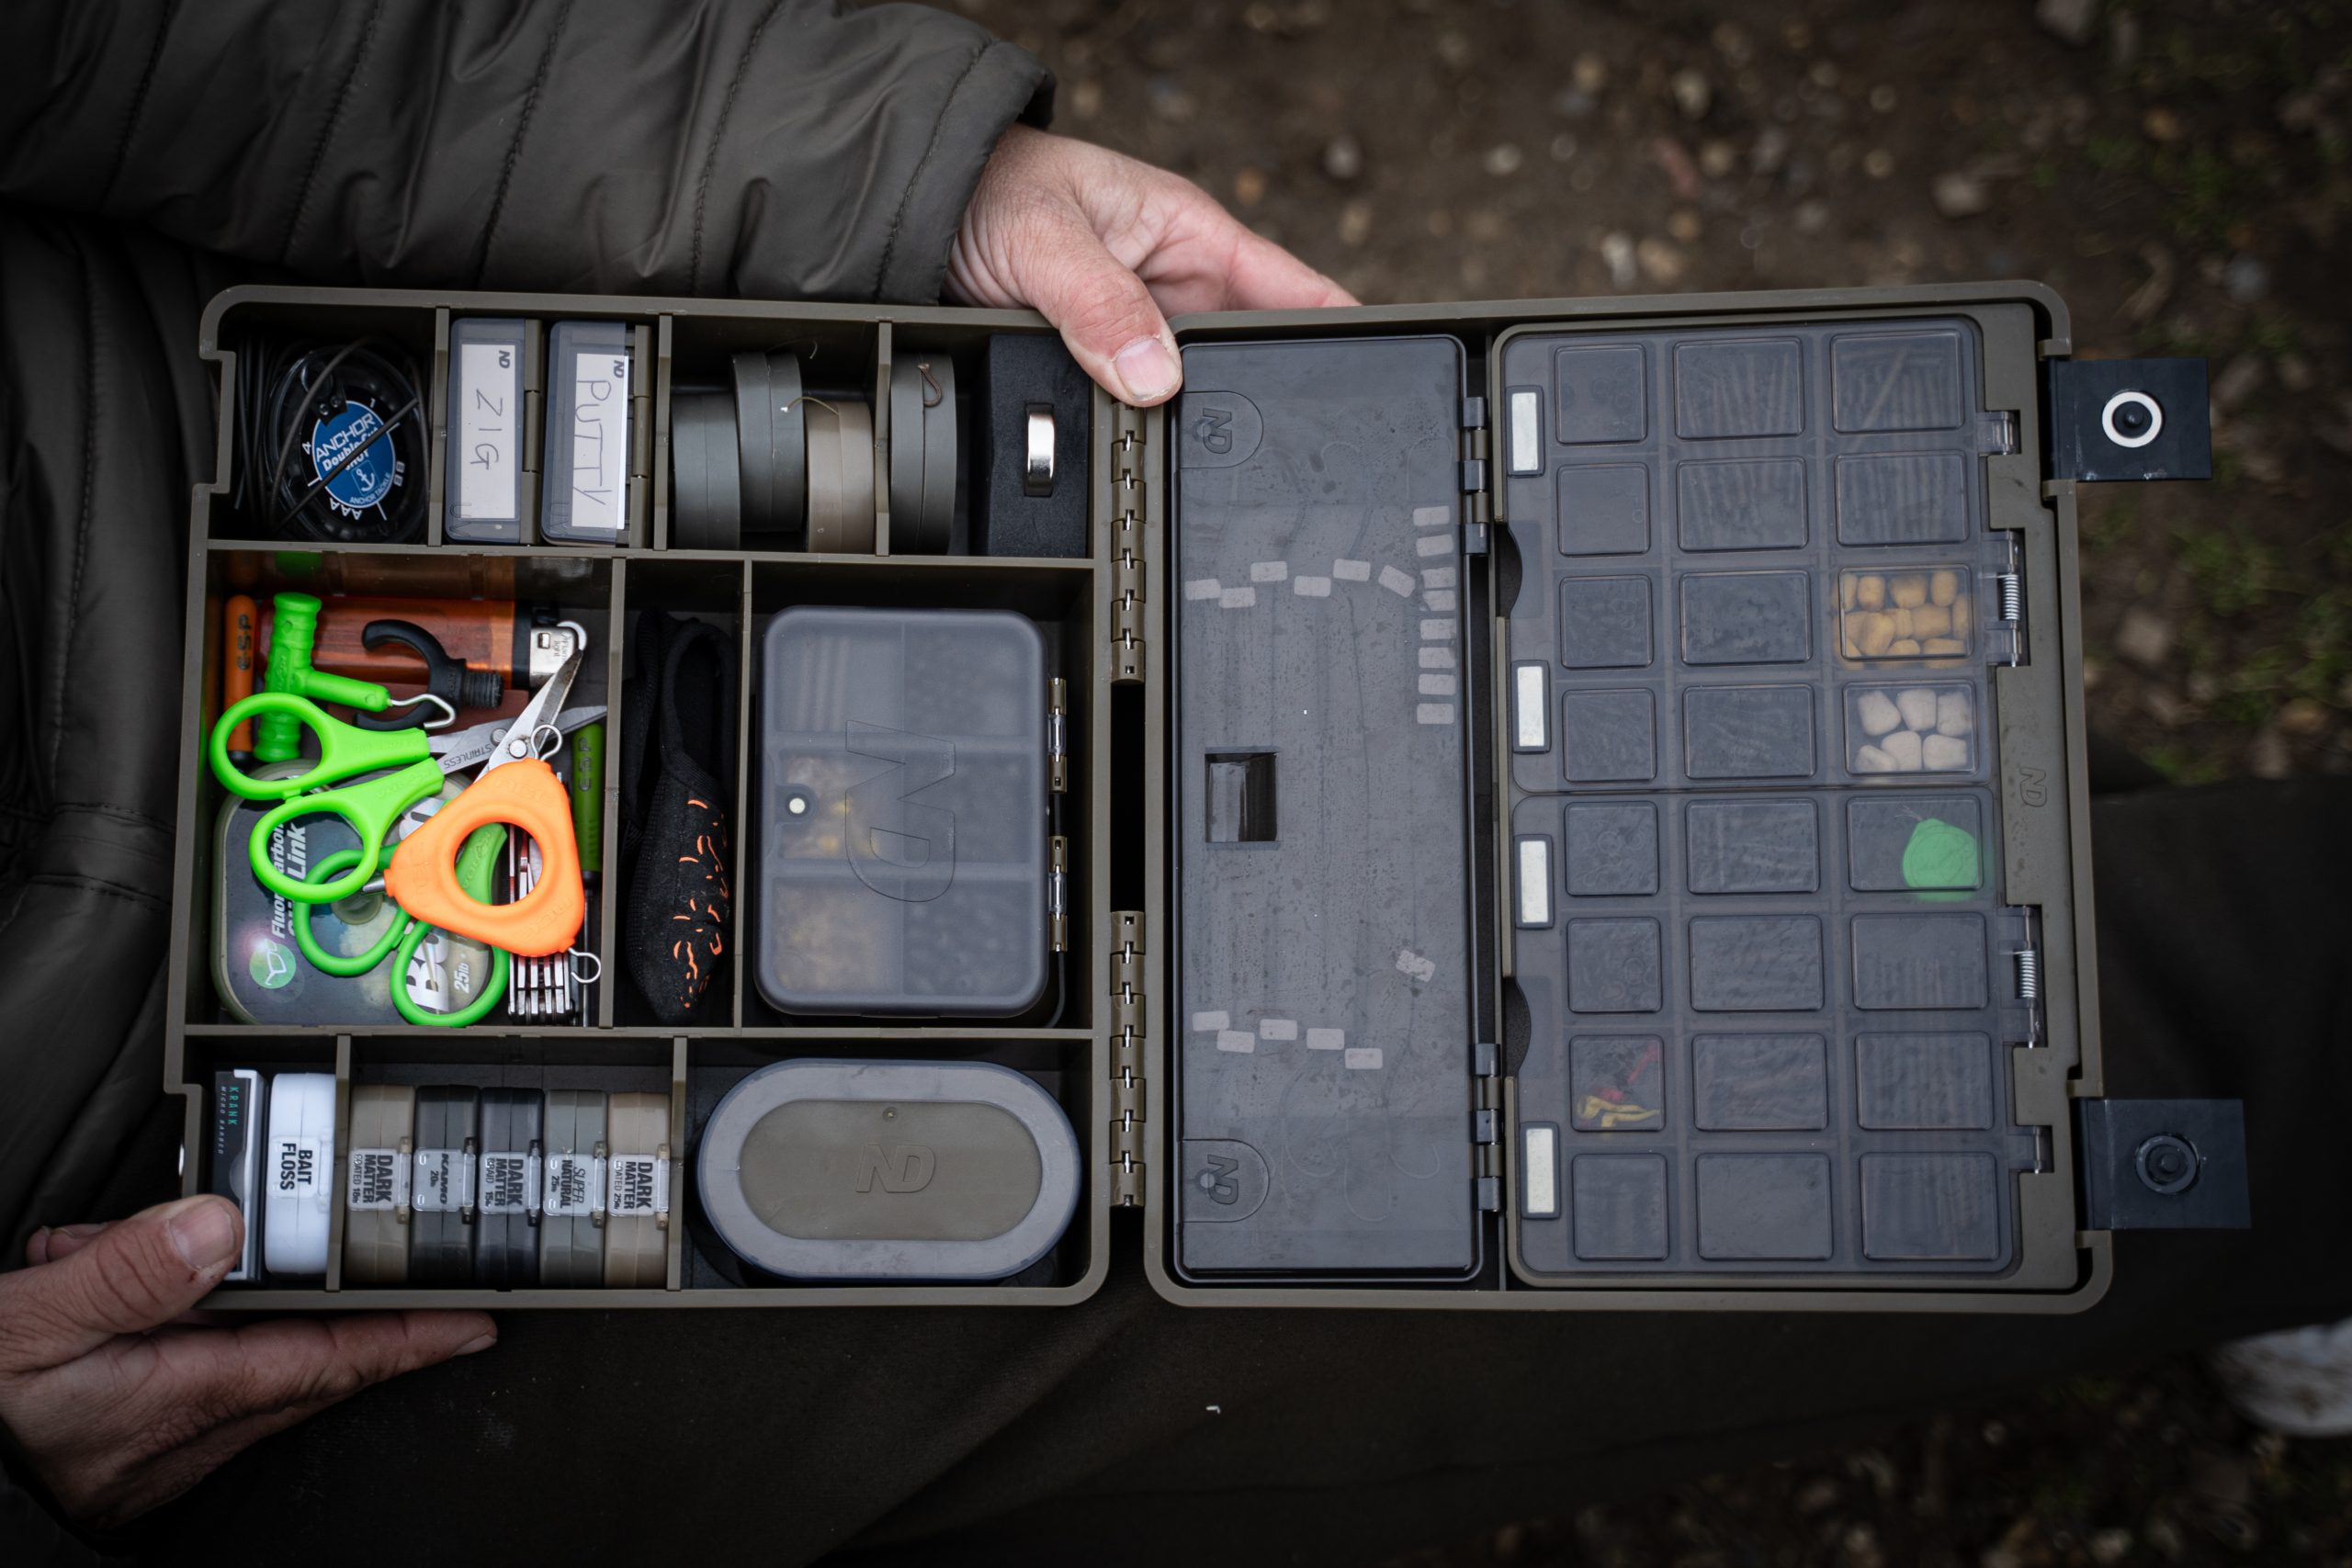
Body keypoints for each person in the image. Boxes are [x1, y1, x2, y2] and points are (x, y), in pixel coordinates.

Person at [0, 3, 2345, 1563]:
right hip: (180, 1245)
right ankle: (2154, 1083)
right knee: (1456, 1149)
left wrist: (885, 171)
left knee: (1613, 704)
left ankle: (2143, 1051)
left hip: (260, 417)